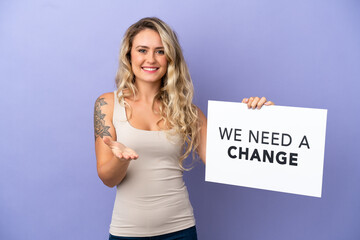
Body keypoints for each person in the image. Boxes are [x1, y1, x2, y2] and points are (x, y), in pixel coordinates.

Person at [94, 17, 274, 240]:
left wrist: (261, 121)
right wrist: (121, 159)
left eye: (160, 51)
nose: (151, 59)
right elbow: (107, 178)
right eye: (142, 50)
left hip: (180, 230)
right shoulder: (107, 104)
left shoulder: (189, 112)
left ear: (170, 58)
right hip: (127, 232)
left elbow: (228, 165)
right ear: (128, 55)